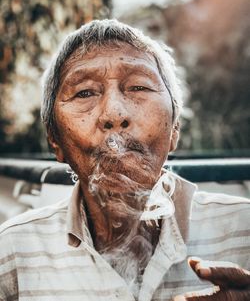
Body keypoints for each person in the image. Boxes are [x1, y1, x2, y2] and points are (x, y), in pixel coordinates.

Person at [0, 19, 249, 301]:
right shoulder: (12, 251)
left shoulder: (244, 229)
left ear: (174, 128)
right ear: (55, 140)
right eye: (84, 92)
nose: (114, 114)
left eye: (139, 87)